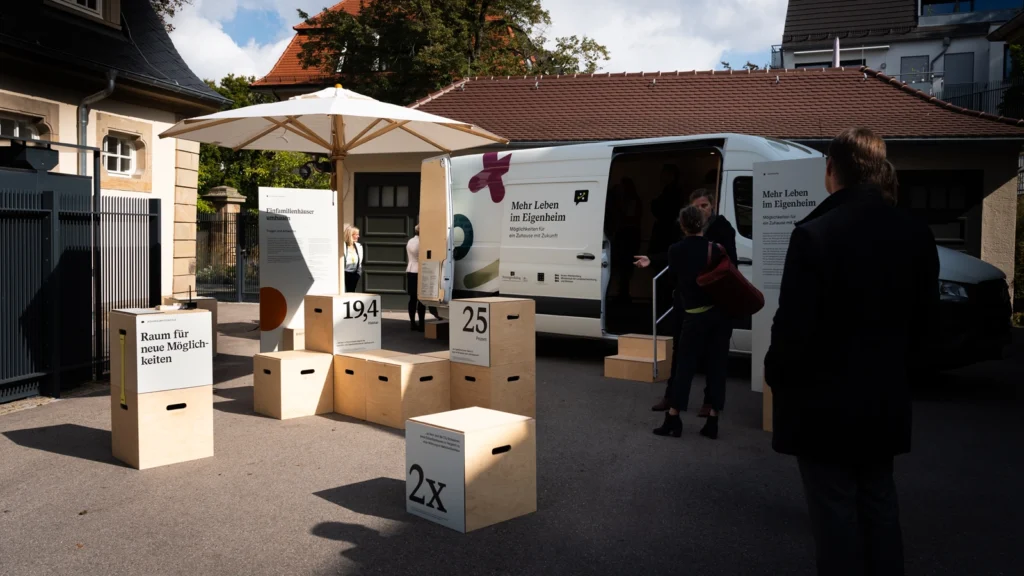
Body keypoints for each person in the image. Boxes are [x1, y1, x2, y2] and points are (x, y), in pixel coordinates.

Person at [765, 127, 939, 576]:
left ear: (831, 169)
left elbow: (793, 328)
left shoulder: (815, 234)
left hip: (824, 405)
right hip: (884, 400)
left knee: (834, 514)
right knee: (879, 502)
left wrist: (776, 376)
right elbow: (925, 325)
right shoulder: (915, 233)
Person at [644, 188, 738, 417]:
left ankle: (709, 402)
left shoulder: (723, 229)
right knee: (679, 351)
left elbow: (730, 264)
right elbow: (676, 254)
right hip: (686, 301)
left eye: (704, 205)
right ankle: (671, 397)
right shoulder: (687, 230)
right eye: (697, 206)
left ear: (712, 206)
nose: (701, 210)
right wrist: (652, 260)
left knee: (715, 356)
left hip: (714, 301)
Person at [406, 225, 427, 331]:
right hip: (419, 270)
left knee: (412, 298)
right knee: (421, 299)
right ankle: (421, 324)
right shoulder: (422, 242)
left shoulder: (410, 241)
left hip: (410, 269)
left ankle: (412, 323)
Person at [342, 225, 364, 292]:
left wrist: (358, 273)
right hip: (344, 274)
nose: (358, 236)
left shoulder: (359, 246)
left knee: (353, 293)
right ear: (350, 235)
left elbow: (360, 262)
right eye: (356, 234)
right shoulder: (342, 246)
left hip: (355, 275)